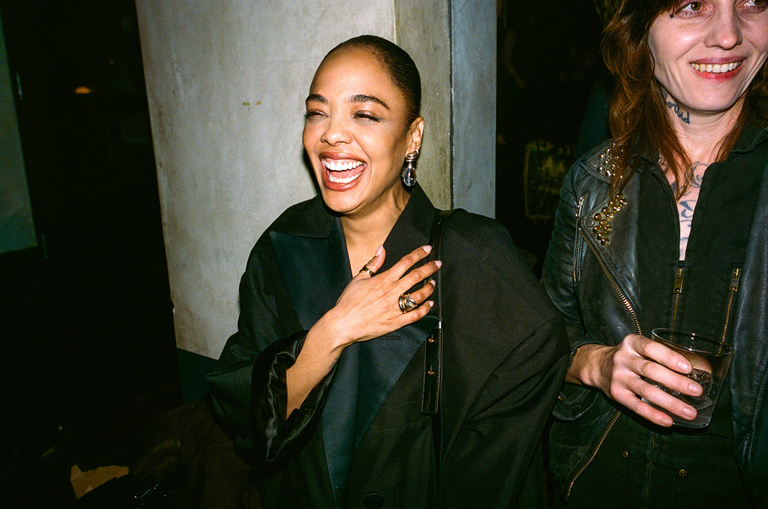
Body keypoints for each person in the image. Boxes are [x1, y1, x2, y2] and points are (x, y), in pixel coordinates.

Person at [206, 35, 569, 508]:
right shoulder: (282, 247)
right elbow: (243, 417)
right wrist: (333, 332)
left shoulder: (473, 256)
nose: (331, 135)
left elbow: (514, 418)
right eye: (317, 112)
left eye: (364, 114)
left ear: (413, 136)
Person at [542, 0, 768, 507]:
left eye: (752, 3)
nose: (728, 35)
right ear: (639, 29)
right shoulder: (592, 183)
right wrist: (597, 365)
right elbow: (544, 340)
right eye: (693, 6)